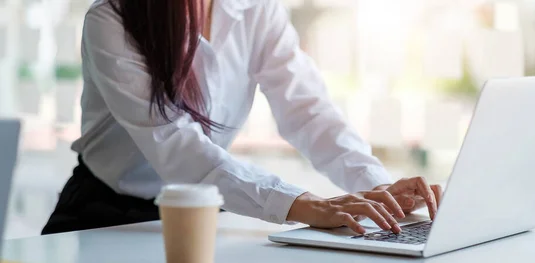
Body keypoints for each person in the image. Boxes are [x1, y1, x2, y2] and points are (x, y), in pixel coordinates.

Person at [42, 0, 442, 235]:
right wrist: (301, 204)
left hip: (202, 206)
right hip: (105, 213)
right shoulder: (112, 17)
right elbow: (178, 147)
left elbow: (309, 112)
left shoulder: (255, 9)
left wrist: (381, 189)